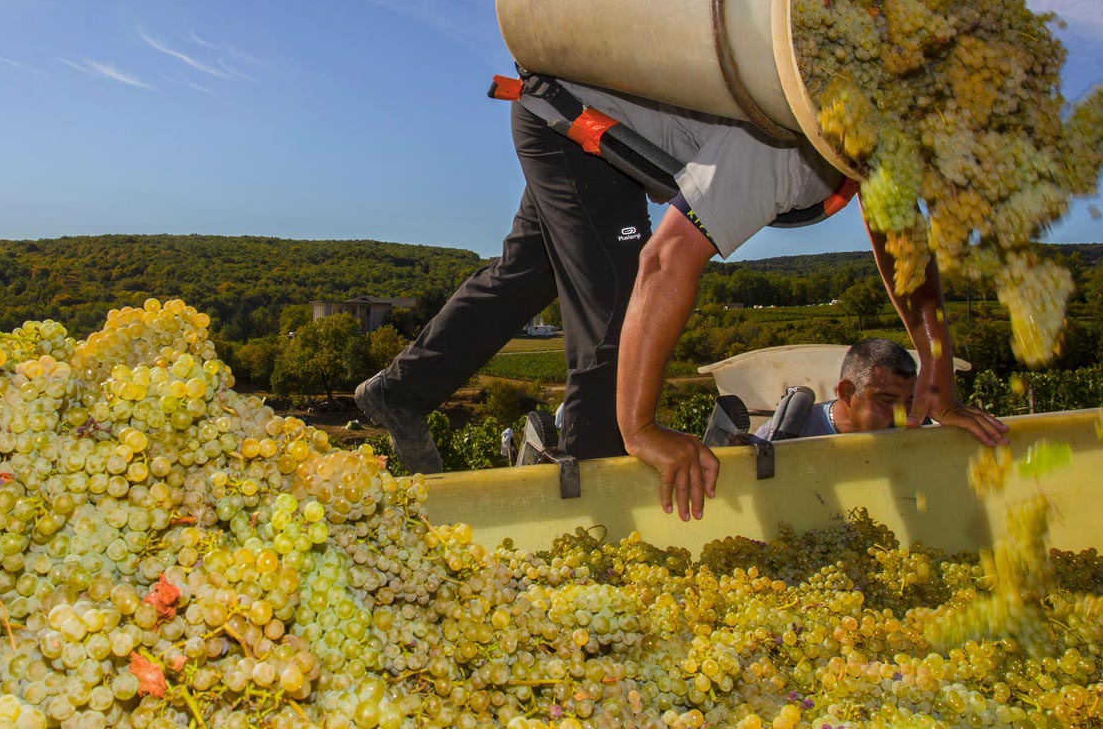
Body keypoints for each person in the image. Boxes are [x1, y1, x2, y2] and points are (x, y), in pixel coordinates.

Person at [355, 79, 1007, 520]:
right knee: (614, 306)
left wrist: (937, 368)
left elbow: (902, 246)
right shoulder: (790, 145)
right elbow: (664, 262)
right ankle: (588, 516)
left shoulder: (866, 127)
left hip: (571, 107)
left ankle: (401, 391)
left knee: (527, 274)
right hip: (574, 119)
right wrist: (640, 429)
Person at [754, 338, 924, 439]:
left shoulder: (921, 432)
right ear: (847, 392)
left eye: (910, 401)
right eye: (887, 401)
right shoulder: (789, 433)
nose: (902, 416)